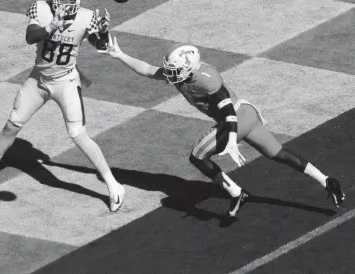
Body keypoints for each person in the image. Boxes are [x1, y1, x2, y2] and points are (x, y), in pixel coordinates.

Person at [104, 35, 344, 217]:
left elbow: (228, 111)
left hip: (236, 118)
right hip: (246, 115)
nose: (169, 73)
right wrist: (120, 55)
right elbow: (147, 70)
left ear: (189, 69)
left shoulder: (206, 80)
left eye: (174, 69)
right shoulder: (183, 74)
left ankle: (236, 192)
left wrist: (230, 140)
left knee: (197, 156)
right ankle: (326, 180)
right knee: (278, 153)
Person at [0, 0, 125, 212]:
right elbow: (31, 37)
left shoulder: (86, 16)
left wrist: (103, 32)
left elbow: (101, 47)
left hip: (66, 82)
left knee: (78, 135)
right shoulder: (40, 8)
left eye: (72, 0)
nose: (68, 4)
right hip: (38, 79)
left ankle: (113, 184)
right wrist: (52, 26)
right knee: (12, 125)